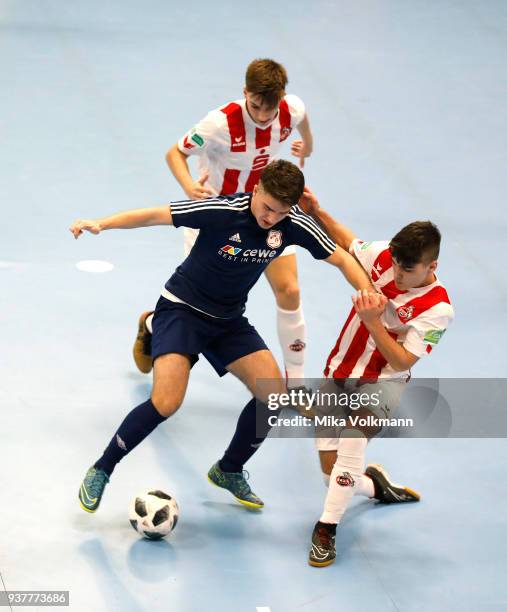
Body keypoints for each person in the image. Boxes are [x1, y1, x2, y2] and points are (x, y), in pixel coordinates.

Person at [71, 161, 373, 515]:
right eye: (267, 207)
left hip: (228, 321)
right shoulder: (221, 210)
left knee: (273, 396)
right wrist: (101, 224)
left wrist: (369, 292)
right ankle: (103, 468)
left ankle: (228, 469)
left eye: (281, 212)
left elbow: (341, 259)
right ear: (256, 189)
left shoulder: (292, 224)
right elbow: (155, 215)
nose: (271, 218)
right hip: (182, 310)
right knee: (167, 401)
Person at [133, 58, 314, 388]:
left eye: (269, 109)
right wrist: (189, 186)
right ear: (245, 92)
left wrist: (308, 145)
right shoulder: (217, 124)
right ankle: (153, 326)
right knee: (198, 304)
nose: (262, 116)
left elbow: (303, 123)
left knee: (290, 290)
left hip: (268, 212)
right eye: (255, 106)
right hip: (218, 219)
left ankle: (297, 385)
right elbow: (175, 153)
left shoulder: (291, 109)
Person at [298, 190, 454, 567]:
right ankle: (375, 486)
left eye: (407, 270)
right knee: (332, 476)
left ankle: (326, 530)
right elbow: (349, 242)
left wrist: (372, 321)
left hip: (383, 381)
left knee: (351, 446)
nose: (397, 274)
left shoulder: (438, 309)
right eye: (396, 265)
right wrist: (318, 211)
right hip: (339, 371)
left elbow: (401, 360)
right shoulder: (386, 254)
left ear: (431, 266)